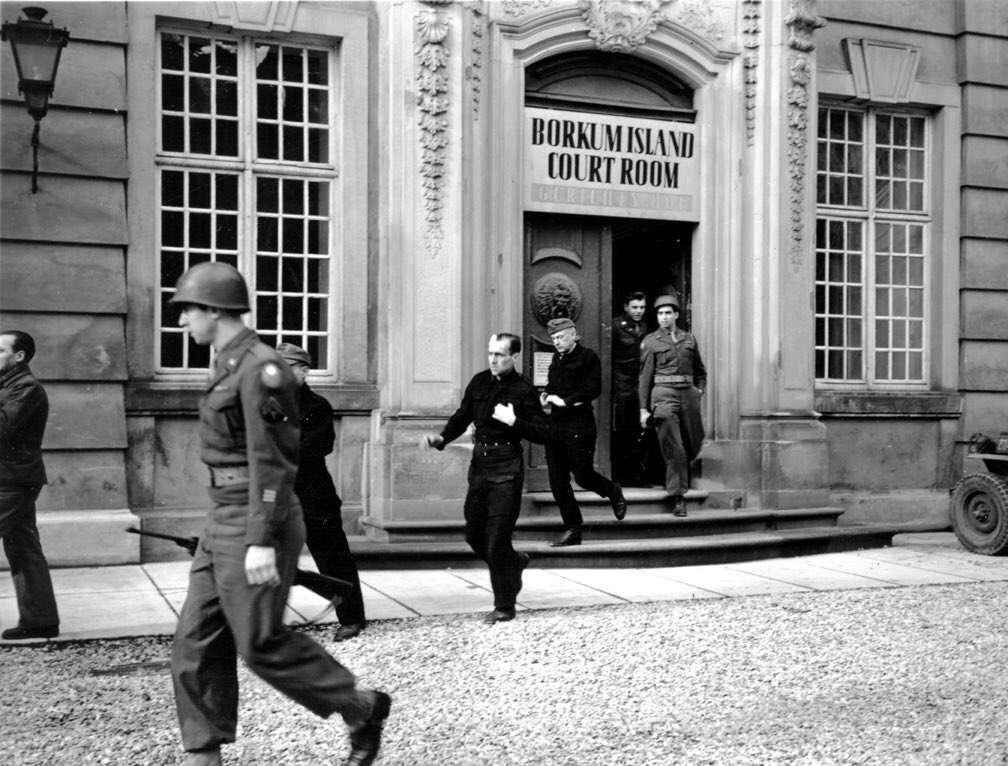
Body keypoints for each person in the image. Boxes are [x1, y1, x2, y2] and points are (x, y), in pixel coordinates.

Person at [168, 262, 389, 766]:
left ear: (214, 310)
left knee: (260, 642)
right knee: (193, 642)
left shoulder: (260, 368)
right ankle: (202, 755)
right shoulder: (226, 362)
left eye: (187, 311)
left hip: (256, 516)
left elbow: (273, 462)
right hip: (223, 515)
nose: (182, 322)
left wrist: (260, 540)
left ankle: (360, 707)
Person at [421, 333, 541, 624]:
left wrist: (516, 422)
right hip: (480, 469)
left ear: (514, 357)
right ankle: (514, 563)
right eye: (490, 353)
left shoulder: (524, 390)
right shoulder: (479, 381)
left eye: (500, 355)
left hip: (506, 470)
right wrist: (442, 438)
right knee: (474, 535)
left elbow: (544, 432)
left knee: (497, 540)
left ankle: (505, 605)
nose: (493, 360)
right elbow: (462, 415)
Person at [276, 343, 366, 642]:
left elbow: (319, 446)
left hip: (314, 496)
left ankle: (352, 618)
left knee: (333, 559)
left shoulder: (317, 406)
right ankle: (265, 622)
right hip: (275, 495)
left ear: (303, 371)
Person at [540, 317, 626, 547]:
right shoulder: (555, 359)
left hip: (579, 427)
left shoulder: (588, 357)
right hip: (555, 428)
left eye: (560, 337)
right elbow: (551, 387)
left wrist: (565, 402)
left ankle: (612, 491)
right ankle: (573, 528)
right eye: (553, 338)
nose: (556, 342)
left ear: (573, 334)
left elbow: (592, 389)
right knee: (557, 482)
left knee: (584, 476)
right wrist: (546, 396)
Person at [0, 330, 60, 641]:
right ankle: (40, 620)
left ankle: (40, 619)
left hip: (12, 483)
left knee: (23, 547)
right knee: (23, 548)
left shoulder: (26, 388)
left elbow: (3, 430)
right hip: (12, 479)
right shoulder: (9, 386)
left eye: (0, 350)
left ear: (19, 356)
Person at [638, 294, 706, 517]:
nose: (664, 317)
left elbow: (700, 370)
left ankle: (674, 479)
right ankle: (678, 497)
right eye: (660, 313)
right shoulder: (651, 342)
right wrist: (643, 409)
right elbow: (644, 378)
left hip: (688, 396)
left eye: (668, 313)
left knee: (693, 442)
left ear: (676, 314)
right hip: (663, 396)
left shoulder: (689, 339)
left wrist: (699, 391)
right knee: (674, 447)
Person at [611, 292, 649, 486]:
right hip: (621, 385)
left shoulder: (644, 327)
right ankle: (618, 476)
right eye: (635, 307)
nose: (639, 311)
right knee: (621, 431)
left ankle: (634, 476)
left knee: (637, 432)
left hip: (638, 385)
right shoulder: (615, 326)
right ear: (626, 307)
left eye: (642, 307)